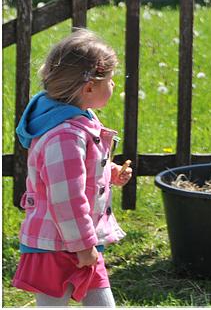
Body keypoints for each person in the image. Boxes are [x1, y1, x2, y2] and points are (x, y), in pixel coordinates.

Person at [12, 29, 132, 307]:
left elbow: (74, 173)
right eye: (110, 80)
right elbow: (66, 198)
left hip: (76, 238)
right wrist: (84, 246)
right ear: (89, 88)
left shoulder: (76, 117)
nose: (114, 86)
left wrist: (109, 172)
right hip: (58, 245)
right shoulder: (66, 135)